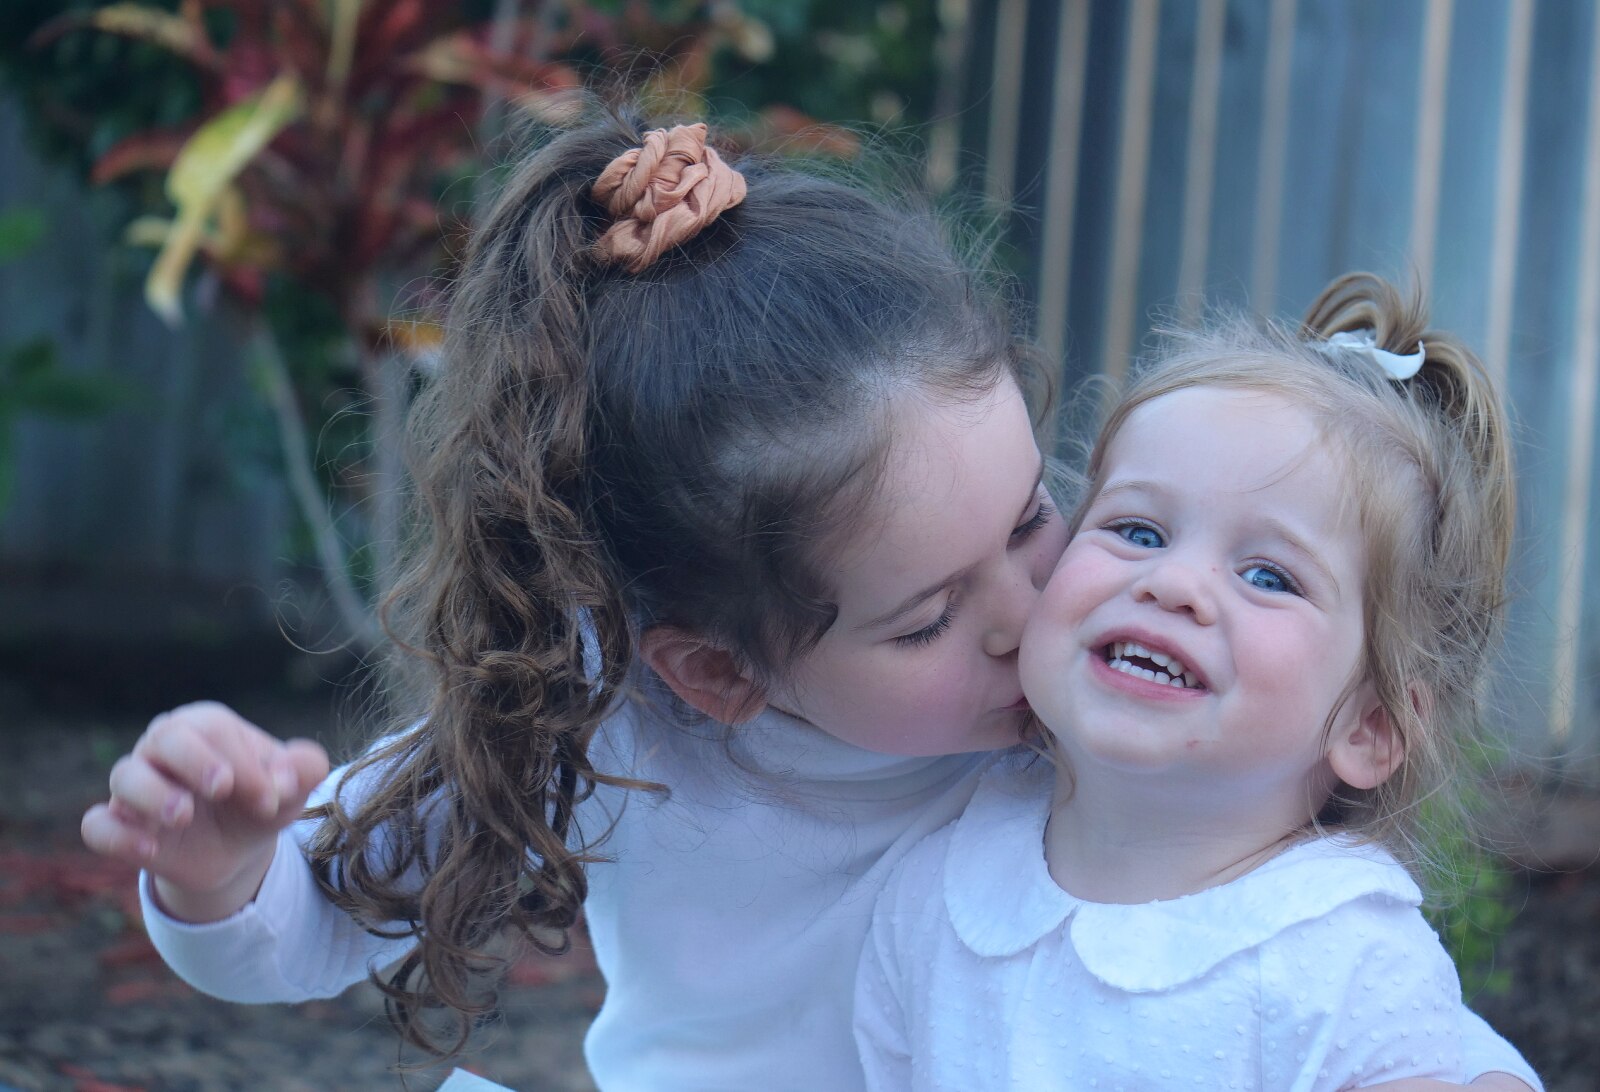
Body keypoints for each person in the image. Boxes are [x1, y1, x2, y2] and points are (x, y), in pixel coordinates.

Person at [79, 108, 1534, 1092]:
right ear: (715, 672)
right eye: (923, 619)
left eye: (1041, 513)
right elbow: (306, 927)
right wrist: (219, 867)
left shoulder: (1101, 731)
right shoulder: (611, 723)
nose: (1032, 610)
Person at [855, 273, 1537, 1090]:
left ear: (1371, 726)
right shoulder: (937, 886)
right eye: (1137, 529)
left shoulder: (1348, 963)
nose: (1172, 583)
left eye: (1269, 576)